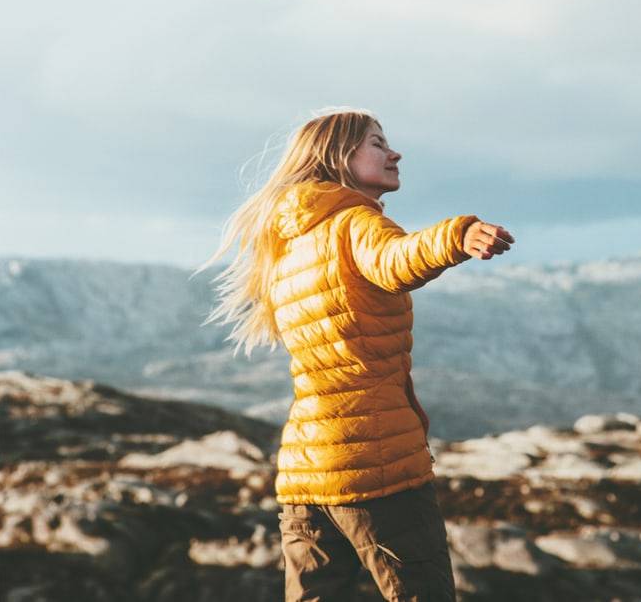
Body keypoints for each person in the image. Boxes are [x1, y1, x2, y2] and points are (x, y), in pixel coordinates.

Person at [195, 107, 514, 601]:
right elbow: (395, 260)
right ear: (336, 156)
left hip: (305, 472)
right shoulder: (352, 225)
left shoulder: (292, 243)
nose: (394, 153)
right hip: (375, 460)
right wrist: (457, 235)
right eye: (377, 143)